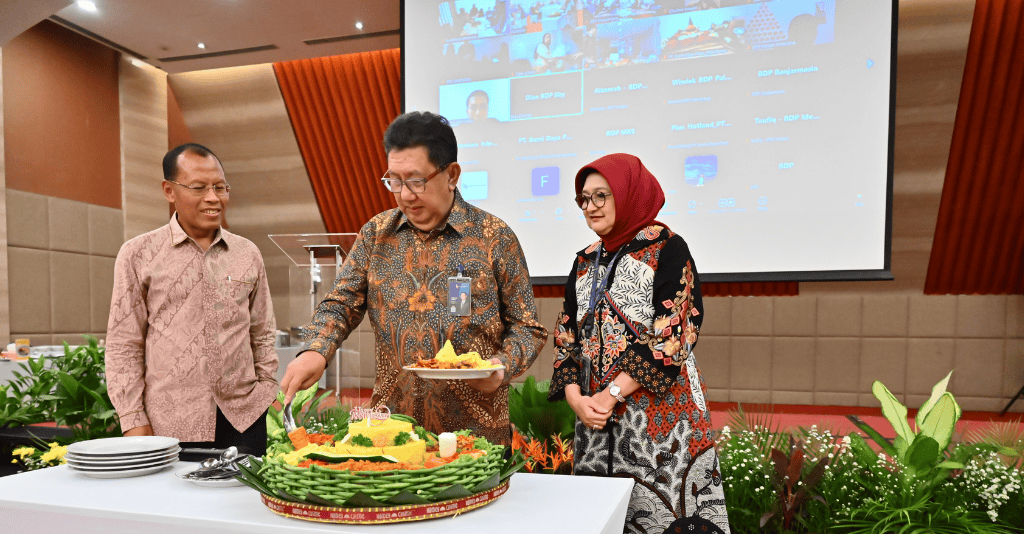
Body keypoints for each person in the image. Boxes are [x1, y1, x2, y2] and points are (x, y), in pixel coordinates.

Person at [281, 111, 547, 445]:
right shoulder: (376, 235)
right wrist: (316, 350)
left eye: (416, 181)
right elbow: (340, 304)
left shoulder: (494, 237)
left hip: (475, 436)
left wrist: (502, 366)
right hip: (392, 432)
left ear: (451, 175)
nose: (406, 194)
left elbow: (527, 327)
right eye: (395, 181)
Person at [548, 153, 730, 532]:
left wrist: (612, 392)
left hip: (662, 426)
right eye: (584, 198)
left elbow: (675, 333)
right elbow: (566, 336)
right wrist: (574, 398)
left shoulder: (667, 248)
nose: (590, 207)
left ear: (628, 194)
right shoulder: (584, 261)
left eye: (602, 195)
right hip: (595, 423)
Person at [106, 143, 278, 456]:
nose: (213, 198)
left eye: (220, 187)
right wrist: (132, 418)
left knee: (242, 503)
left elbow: (262, 331)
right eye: (198, 188)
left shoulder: (247, 253)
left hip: (243, 419)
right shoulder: (138, 254)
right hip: (169, 422)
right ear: (169, 191)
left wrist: (265, 389)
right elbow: (124, 343)